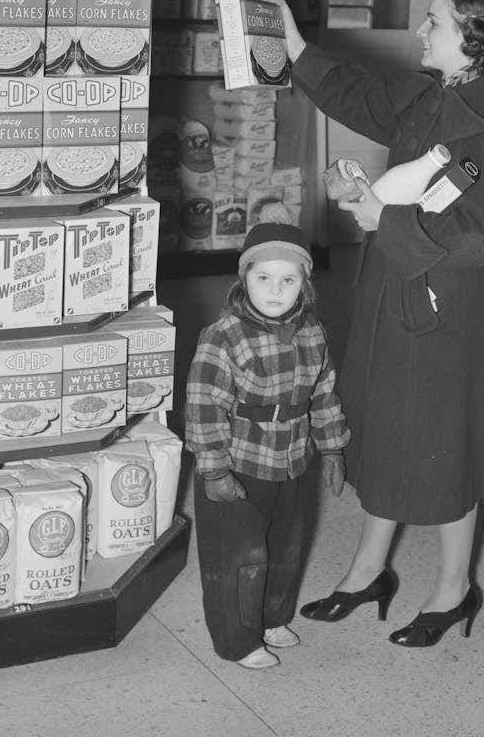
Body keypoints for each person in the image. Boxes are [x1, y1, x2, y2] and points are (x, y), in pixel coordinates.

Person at [281, 0, 484, 647]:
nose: (422, 30)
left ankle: (453, 590)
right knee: (386, 427)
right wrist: (295, 46)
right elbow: (364, 95)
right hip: (398, 288)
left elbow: (482, 232)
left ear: (474, 42)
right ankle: (369, 572)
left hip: (444, 302)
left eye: (435, 22)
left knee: (447, 443)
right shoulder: (438, 95)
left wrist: (376, 216)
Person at [185, 205, 349, 669]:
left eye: (288, 280)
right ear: (244, 280)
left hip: (292, 460)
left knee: (286, 543)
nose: (275, 291)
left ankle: (273, 617)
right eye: (263, 279)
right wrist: (214, 469)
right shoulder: (224, 336)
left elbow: (325, 392)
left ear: (305, 284)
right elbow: (202, 406)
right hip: (238, 464)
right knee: (242, 553)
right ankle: (238, 640)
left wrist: (333, 446)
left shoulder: (313, 332)